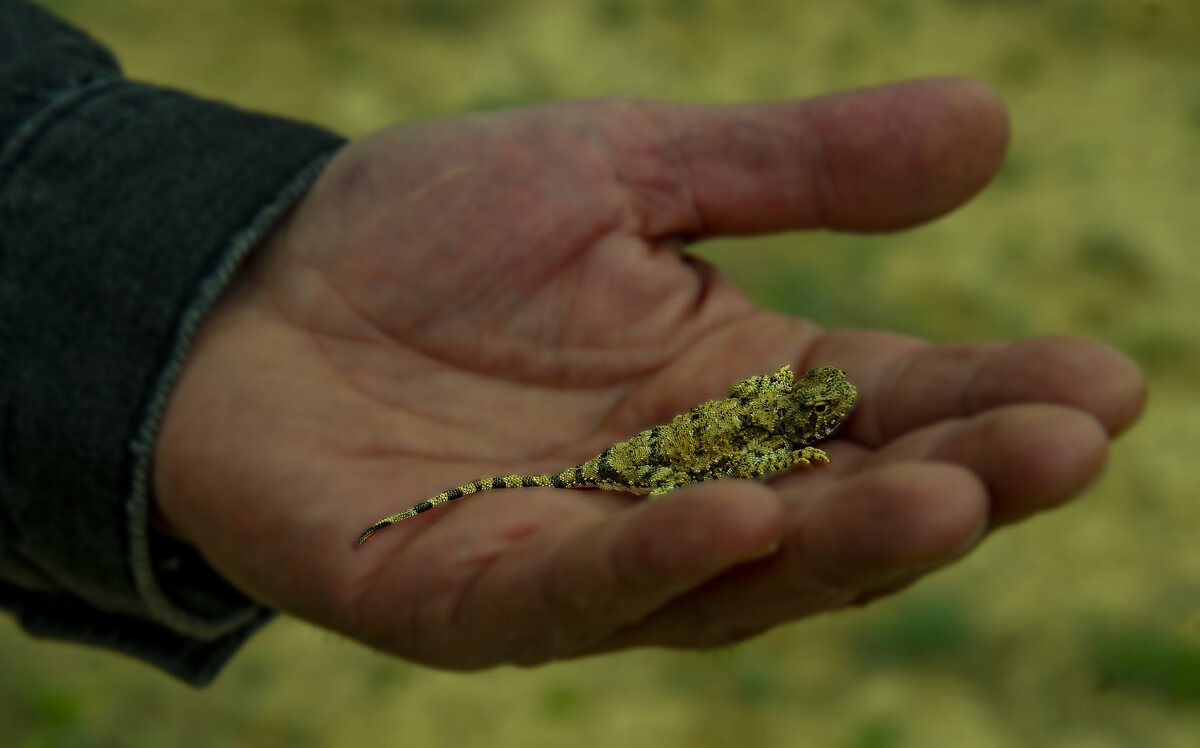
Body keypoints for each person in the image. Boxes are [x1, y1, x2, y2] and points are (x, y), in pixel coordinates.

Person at [0, 0, 1146, 687]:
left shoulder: (765, 430)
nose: (813, 423)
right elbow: (723, 442)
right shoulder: (752, 432)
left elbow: (732, 441)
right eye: (810, 422)